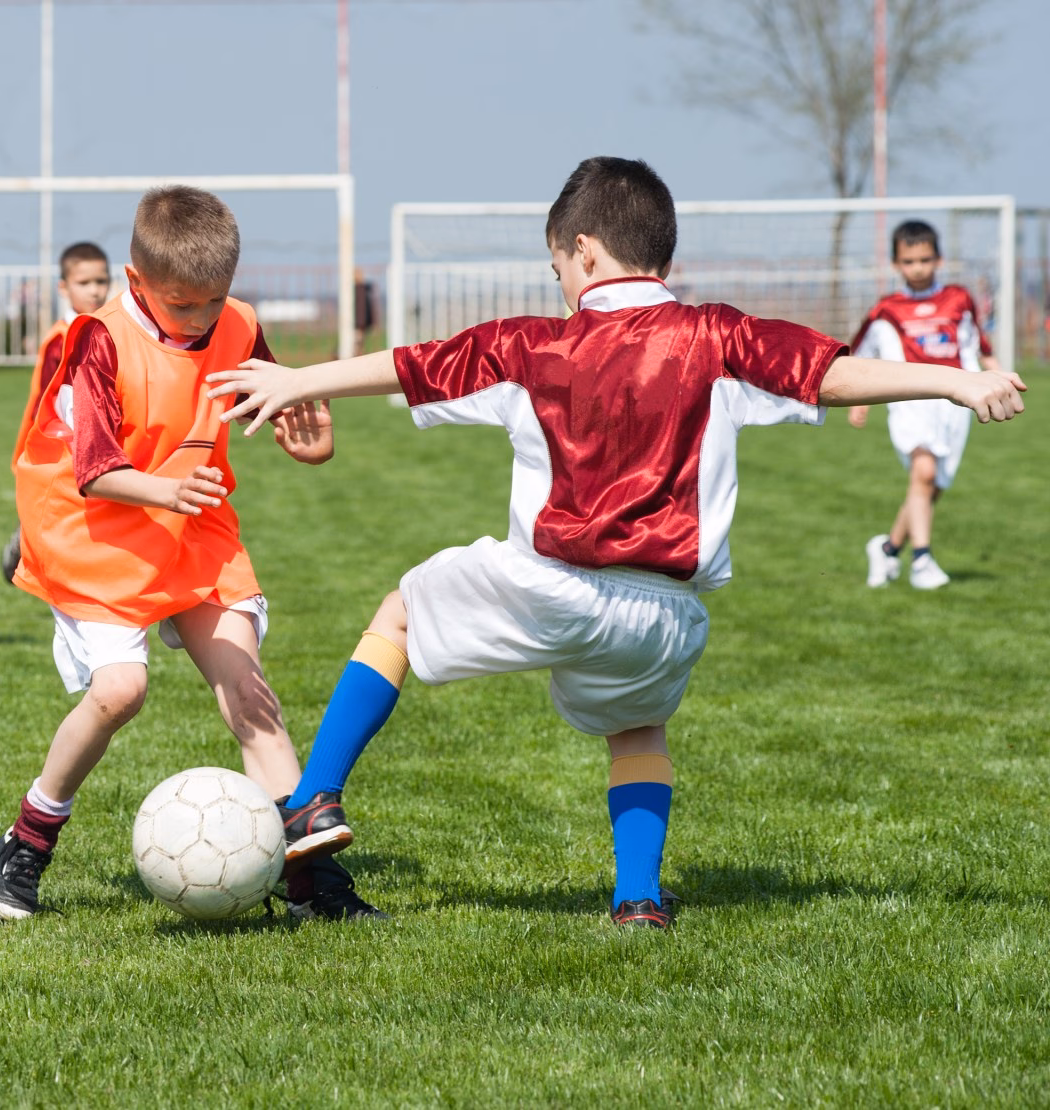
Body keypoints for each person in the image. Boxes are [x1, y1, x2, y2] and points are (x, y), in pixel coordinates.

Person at [205, 157, 1026, 929]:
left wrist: (300, 378)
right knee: (638, 732)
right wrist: (957, 380)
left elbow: (412, 365)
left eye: (556, 264)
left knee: (400, 614)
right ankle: (637, 900)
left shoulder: (532, 343)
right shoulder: (720, 336)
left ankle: (314, 797)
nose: (557, 281)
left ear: (584, 252)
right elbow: (834, 374)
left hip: (554, 583)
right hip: (668, 614)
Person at [0, 186, 383, 922]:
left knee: (249, 693)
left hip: (193, 524)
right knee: (119, 693)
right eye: (180, 305)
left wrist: (312, 443)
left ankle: (311, 884)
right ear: (136, 283)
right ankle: (28, 841)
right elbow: (96, 469)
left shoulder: (238, 325)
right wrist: (167, 492)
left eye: (213, 301)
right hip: (95, 533)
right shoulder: (98, 341)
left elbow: (278, 401)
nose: (201, 319)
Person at [848, 220, 1002, 590]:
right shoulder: (886, 309)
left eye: (925, 259)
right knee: (924, 474)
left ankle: (887, 549)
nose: (918, 267)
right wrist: (860, 401)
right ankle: (922, 562)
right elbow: (858, 354)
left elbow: (979, 344)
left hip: (954, 405)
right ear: (896, 264)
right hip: (910, 403)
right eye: (909, 261)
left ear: (939, 259)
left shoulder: (959, 299)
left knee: (931, 487)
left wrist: (996, 373)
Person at [0, 240, 113, 584]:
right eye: (84, 283)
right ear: (63, 287)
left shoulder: (106, 329)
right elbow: (51, 407)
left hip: (91, 446)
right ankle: (25, 544)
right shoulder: (62, 339)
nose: (94, 290)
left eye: (101, 281)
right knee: (69, 532)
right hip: (57, 449)